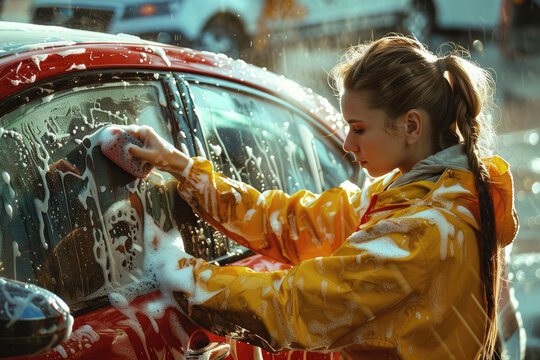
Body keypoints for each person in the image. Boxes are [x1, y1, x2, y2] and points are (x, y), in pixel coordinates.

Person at [126, 35, 518, 359]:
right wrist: (181, 167)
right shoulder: (428, 195)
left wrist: (182, 276)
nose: (347, 143)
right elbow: (293, 223)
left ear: (411, 125)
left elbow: (294, 305)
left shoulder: (421, 230)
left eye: (359, 128)